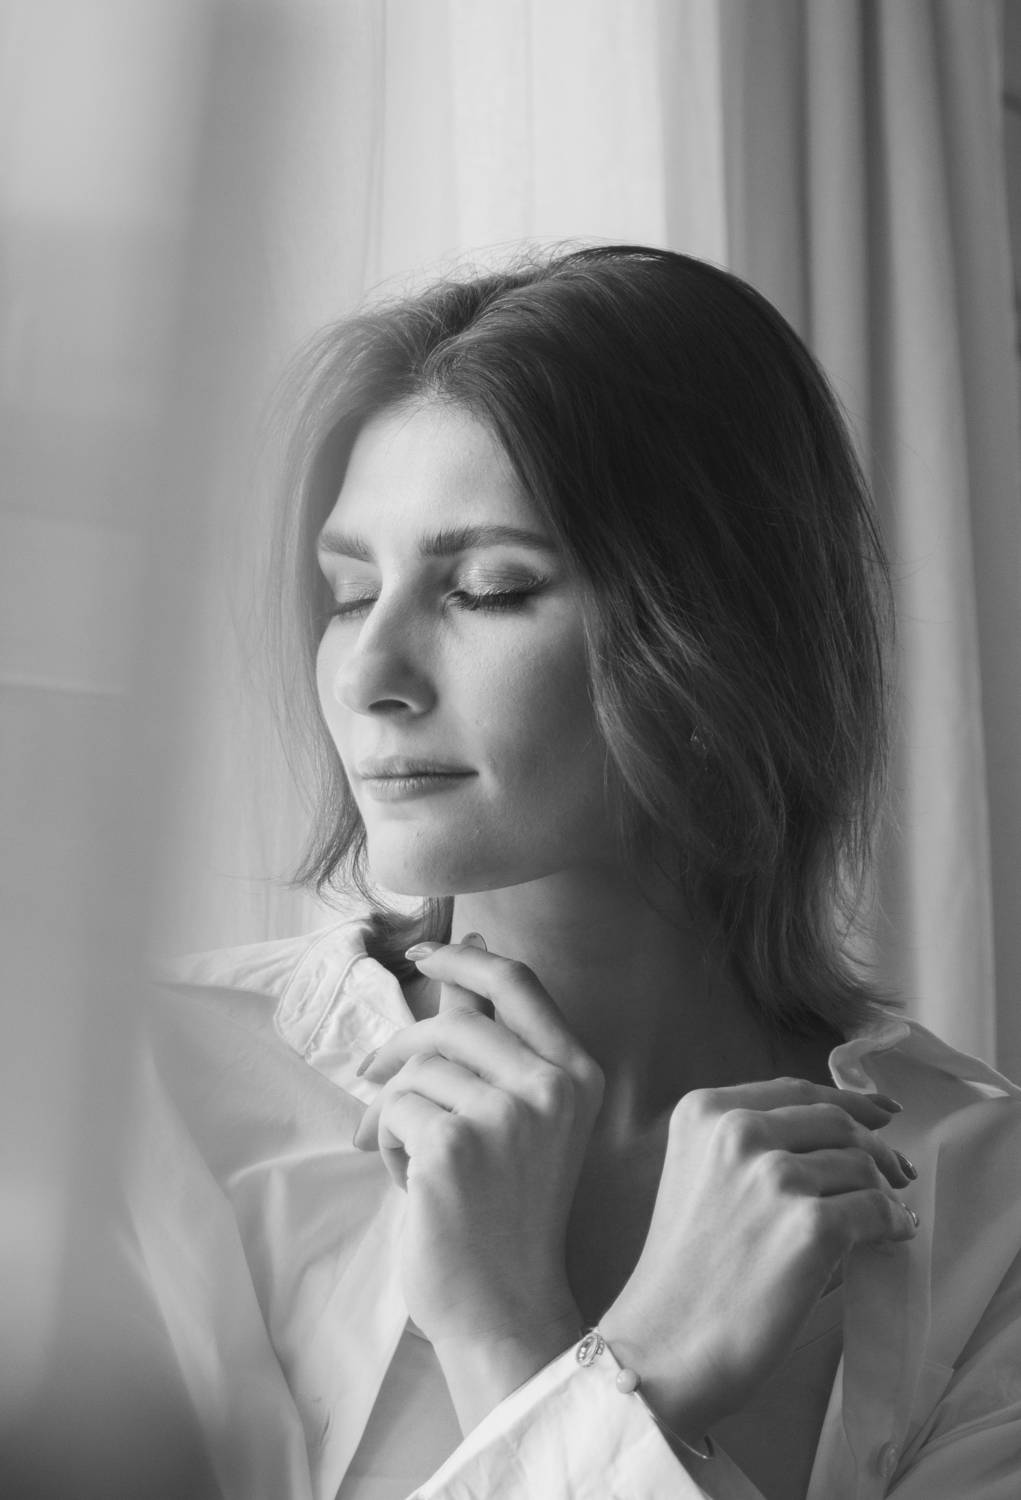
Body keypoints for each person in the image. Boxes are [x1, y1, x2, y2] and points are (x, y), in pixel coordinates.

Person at [129, 245, 1021, 1499]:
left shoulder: (985, 1204)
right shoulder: (151, 1099)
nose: (368, 675)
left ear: (718, 631)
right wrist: (618, 1375)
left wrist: (514, 1346)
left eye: (485, 590)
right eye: (348, 594)